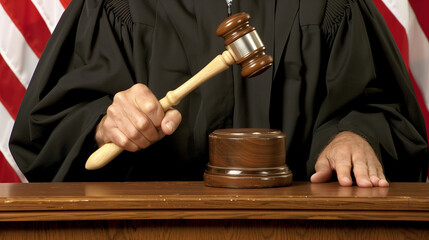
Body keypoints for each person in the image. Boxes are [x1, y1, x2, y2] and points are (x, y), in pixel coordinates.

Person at [9, 0, 428, 186]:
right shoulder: (121, 3)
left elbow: (385, 111)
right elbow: (44, 133)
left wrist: (356, 136)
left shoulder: (329, 4)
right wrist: (103, 125)